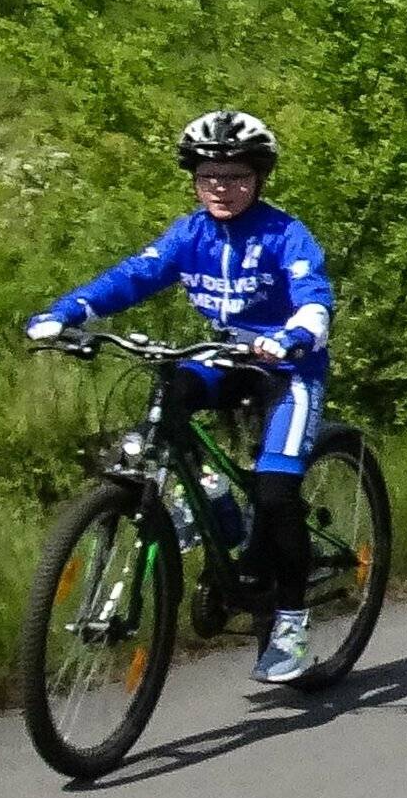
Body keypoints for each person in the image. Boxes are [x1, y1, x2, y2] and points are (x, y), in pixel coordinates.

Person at [25, 111, 335, 684]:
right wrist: (67, 313)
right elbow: (134, 275)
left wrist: (293, 336)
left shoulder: (285, 234)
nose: (223, 187)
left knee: (275, 491)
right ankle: (209, 502)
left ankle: (290, 626)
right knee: (169, 394)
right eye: (210, 176)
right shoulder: (189, 234)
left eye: (237, 176)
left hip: (286, 368)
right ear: (195, 179)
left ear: (259, 178)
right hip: (222, 354)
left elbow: (314, 296)